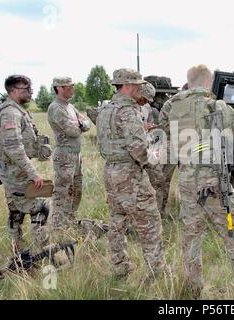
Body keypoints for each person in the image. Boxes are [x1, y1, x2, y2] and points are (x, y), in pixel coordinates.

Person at [164, 64, 234, 298]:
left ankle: (192, 287)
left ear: (188, 82)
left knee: (191, 234)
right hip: (212, 180)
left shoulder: (171, 107)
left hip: (186, 179)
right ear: (208, 83)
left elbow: (167, 142)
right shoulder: (217, 106)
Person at [96, 68, 166, 278]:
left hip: (111, 170)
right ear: (127, 86)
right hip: (130, 175)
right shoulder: (128, 111)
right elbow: (138, 150)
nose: (141, 88)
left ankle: (120, 267)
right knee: (150, 224)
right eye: (138, 85)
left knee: (117, 221)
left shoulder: (106, 109)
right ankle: (158, 274)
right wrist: (154, 158)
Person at [0, 75, 51, 252]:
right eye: (27, 89)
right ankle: (42, 250)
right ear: (13, 90)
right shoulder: (10, 112)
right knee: (40, 208)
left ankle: (17, 251)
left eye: (31, 88)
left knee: (16, 211)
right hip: (15, 172)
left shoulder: (15, 109)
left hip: (11, 170)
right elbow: (13, 148)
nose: (31, 92)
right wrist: (34, 174)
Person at [47, 77, 91, 230]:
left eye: (72, 86)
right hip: (64, 155)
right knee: (63, 191)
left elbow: (87, 124)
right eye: (69, 86)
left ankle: (70, 221)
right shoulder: (56, 107)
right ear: (59, 88)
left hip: (75, 155)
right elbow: (72, 131)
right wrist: (79, 124)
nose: (72, 89)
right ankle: (59, 226)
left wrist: (80, 123)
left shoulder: (70, 107)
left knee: (76, 189)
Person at [137, 82, 166, 217]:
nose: (147, 101)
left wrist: (150, 127)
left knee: (158, 180)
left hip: (149, 149)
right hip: (135, 154)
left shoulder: (147, 107)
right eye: (145, 98)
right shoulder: (128, 109)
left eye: (149, 99)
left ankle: (157, 213)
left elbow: (147, 124)